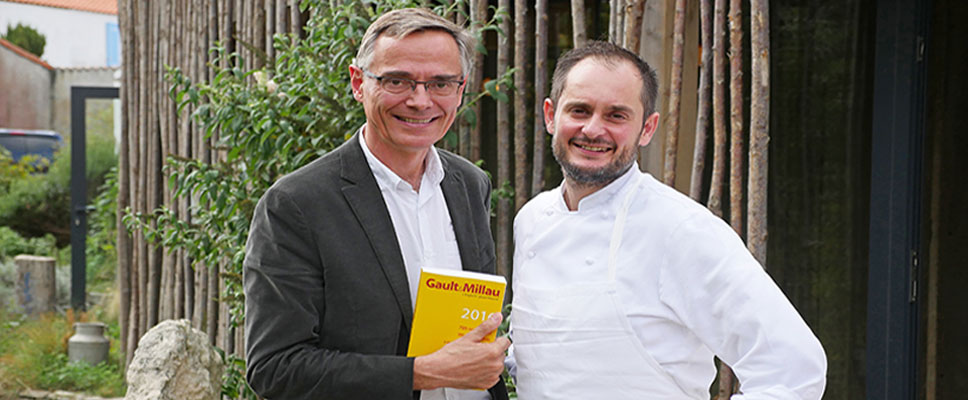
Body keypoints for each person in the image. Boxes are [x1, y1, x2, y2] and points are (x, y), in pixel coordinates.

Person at [507, 41, 827, 399]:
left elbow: (794, 369)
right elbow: (545, 358)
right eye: (579, 111)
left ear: (647, 128)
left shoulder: (681, 229)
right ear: (551, 116)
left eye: (616, 115)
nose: (593, 130)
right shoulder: (531, 220)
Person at [243, 8, 509, 400]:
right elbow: (275, 367)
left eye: (440, 83)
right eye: (397, 81)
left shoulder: (470, 184)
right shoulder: (296, 205)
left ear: (460, 89)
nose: (420, 101)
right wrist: (421, 373)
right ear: (358, 83)